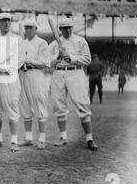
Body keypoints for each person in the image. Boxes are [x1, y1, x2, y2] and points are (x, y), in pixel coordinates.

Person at [48, 17, 98, 151]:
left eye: (69, 27)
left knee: (82, 104)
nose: (67, 30)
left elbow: (87, 59)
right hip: (58, 73)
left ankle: (89, 138)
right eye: (64, 28)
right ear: (60, 29)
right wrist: (57, 57)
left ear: (72, 28)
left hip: (76, 73)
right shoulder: (54, 44)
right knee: (58, 105)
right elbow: (46, 62)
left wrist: (70, 57)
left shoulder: (80, 41)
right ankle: (63, 137)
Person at [0, 13, 25, 152]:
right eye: (3, 21)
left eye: (8, 20)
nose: (6, 23)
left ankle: (14, 140)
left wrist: (7, 67)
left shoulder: (17, 39)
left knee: (11, 104)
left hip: (10, 76)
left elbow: (20, 58)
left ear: (10, 22)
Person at [18, 18, 50, 150]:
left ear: (36, 29)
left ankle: (42, 139)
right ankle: (28, 138)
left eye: (30, 28)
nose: (28, 30)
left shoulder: (42, 43)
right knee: (24, 106)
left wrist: (30, 60)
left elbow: (45, 62)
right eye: (26, 28)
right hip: (23, 74)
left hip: (37, 74)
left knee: (39, 103)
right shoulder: (21, 43)